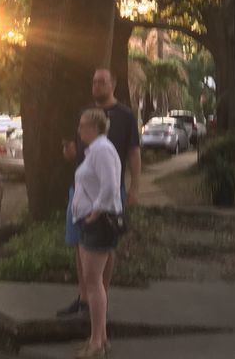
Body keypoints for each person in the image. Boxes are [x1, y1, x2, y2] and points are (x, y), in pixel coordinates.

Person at [59, 68, 141, 318]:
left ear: (113, 84)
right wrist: (69, 152)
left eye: (102, 81)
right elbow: (78, 150)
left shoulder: (125, 115)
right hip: (82, 190)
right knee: (78, 242)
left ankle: (99, 297)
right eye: (94, 81)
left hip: (108, 191)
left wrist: (135, 186)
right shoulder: (86, 115)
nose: (97, 85)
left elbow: (134, 152)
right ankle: (85, 298)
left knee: (105, 244)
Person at [70, 108, 124, 359]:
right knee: (95, 283)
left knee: (93, 283)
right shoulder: (97, 150)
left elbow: (111, 185)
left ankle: (96, 343)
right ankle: (100, 338)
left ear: (94, 127)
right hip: (92, 222)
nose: (79, 130)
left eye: (82, 125)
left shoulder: (102, 149)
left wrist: (95, 212)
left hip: (98, 223)